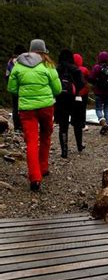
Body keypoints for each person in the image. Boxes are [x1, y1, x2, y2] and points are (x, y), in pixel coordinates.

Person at [7, 39, 61, 191]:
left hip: (26, 109)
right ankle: (43, 167)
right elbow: (57, 89)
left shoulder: (18, 64)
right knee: (46, 135)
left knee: (31, 141)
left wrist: (25, 94)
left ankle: (35, 178)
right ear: (44, 51)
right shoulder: (48, 65)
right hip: (46, 107)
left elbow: (11, 88)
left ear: (30, 50)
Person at [55, 49, 86, 158]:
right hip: (75, 99)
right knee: (77, 123)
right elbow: (82, 84)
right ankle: (79, 146)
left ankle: (64, 151)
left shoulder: (57, 69)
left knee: (63, 126)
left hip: (61, 100)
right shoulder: (75, 69)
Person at [88, 51, 108, 135]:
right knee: (107, 109)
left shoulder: (97, 67)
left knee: (98, 109)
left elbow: (91, 78)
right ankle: (107, 125)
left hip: (99, 92)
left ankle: (102, 121)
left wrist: (96, 83)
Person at [5, 44, 26, 132]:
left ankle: (17, 127)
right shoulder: (25, 61)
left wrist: (10, 86)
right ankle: (23, 126)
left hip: (14, 89)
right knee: (23, 107)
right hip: (24, 88)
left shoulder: (10, 62)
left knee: (15, 107)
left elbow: (7, 75)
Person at [73, 53, 90, 130]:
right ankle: (83, 124)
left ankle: (74, 122)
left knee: (74, 108)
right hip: (84, 92)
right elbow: (88, 78)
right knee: (83, 109)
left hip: (74, 92)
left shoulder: (71, 69)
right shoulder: (84, 69)